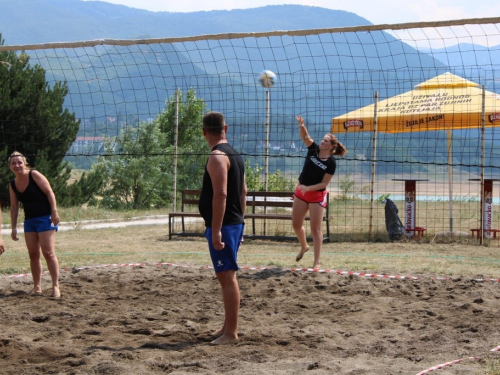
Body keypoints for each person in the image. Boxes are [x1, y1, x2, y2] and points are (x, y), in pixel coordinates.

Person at [199, 111, 247, 345]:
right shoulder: (235, 154)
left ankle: (231, 334)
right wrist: (242, 222)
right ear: (225, 128)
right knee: (227, 277)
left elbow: (222, 194)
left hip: (225, 225)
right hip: (233, 223)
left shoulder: (217, 156)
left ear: (203, 131)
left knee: (227, 278)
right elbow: (243, 192)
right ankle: (227, 327)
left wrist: (217, 229)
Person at [293, 115, 347, 269]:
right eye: (322, 140)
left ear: (331, 146)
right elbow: (306, 137)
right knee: (296, 225)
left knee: (316, 229)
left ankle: (316, 262)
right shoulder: (313, 149)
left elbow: (324, 183)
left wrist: (308, 188)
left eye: (326, 141)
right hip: (302, 192)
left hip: (316, 195)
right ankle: (304, 246)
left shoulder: (331, 163)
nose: (322, 141)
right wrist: (302, 125)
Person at [8, 151, 61, 298]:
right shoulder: (12, 185)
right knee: (33, 254)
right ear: (10, 167)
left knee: (48, 252)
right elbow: (14, 207)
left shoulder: (34, 175)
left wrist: (54, 212)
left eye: (19, 162)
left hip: (45, 218)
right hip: (30, 221)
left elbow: (50, 192)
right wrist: (13, 227)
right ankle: (37, 286)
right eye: (13, 163)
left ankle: (55, 286)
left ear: (25, 163)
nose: (17, 165)